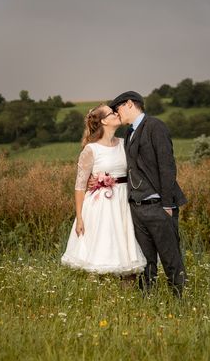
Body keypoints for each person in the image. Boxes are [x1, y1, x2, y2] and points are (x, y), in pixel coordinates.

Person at [109, 90, 187, 296]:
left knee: (170, 257)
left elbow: (167, 166)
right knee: (145, 260)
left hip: (158, 205)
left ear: (129, 104)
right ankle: (147, 299)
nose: (118, 114)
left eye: (118, 109)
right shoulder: (129, 133)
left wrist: (168, 204)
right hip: (137, 207)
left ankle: (178, 299)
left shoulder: (155, 126)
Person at [61, 104, 146, 276]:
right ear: (103, 121)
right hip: (100, 206)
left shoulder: (124, 144)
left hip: (124, 202)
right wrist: (79, 218)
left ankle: (127, 295)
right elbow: (79, 186)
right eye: (111, 112)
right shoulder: (91, 149)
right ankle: (98, 296)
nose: (117, 113)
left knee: (126, 250)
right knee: (102, 249)